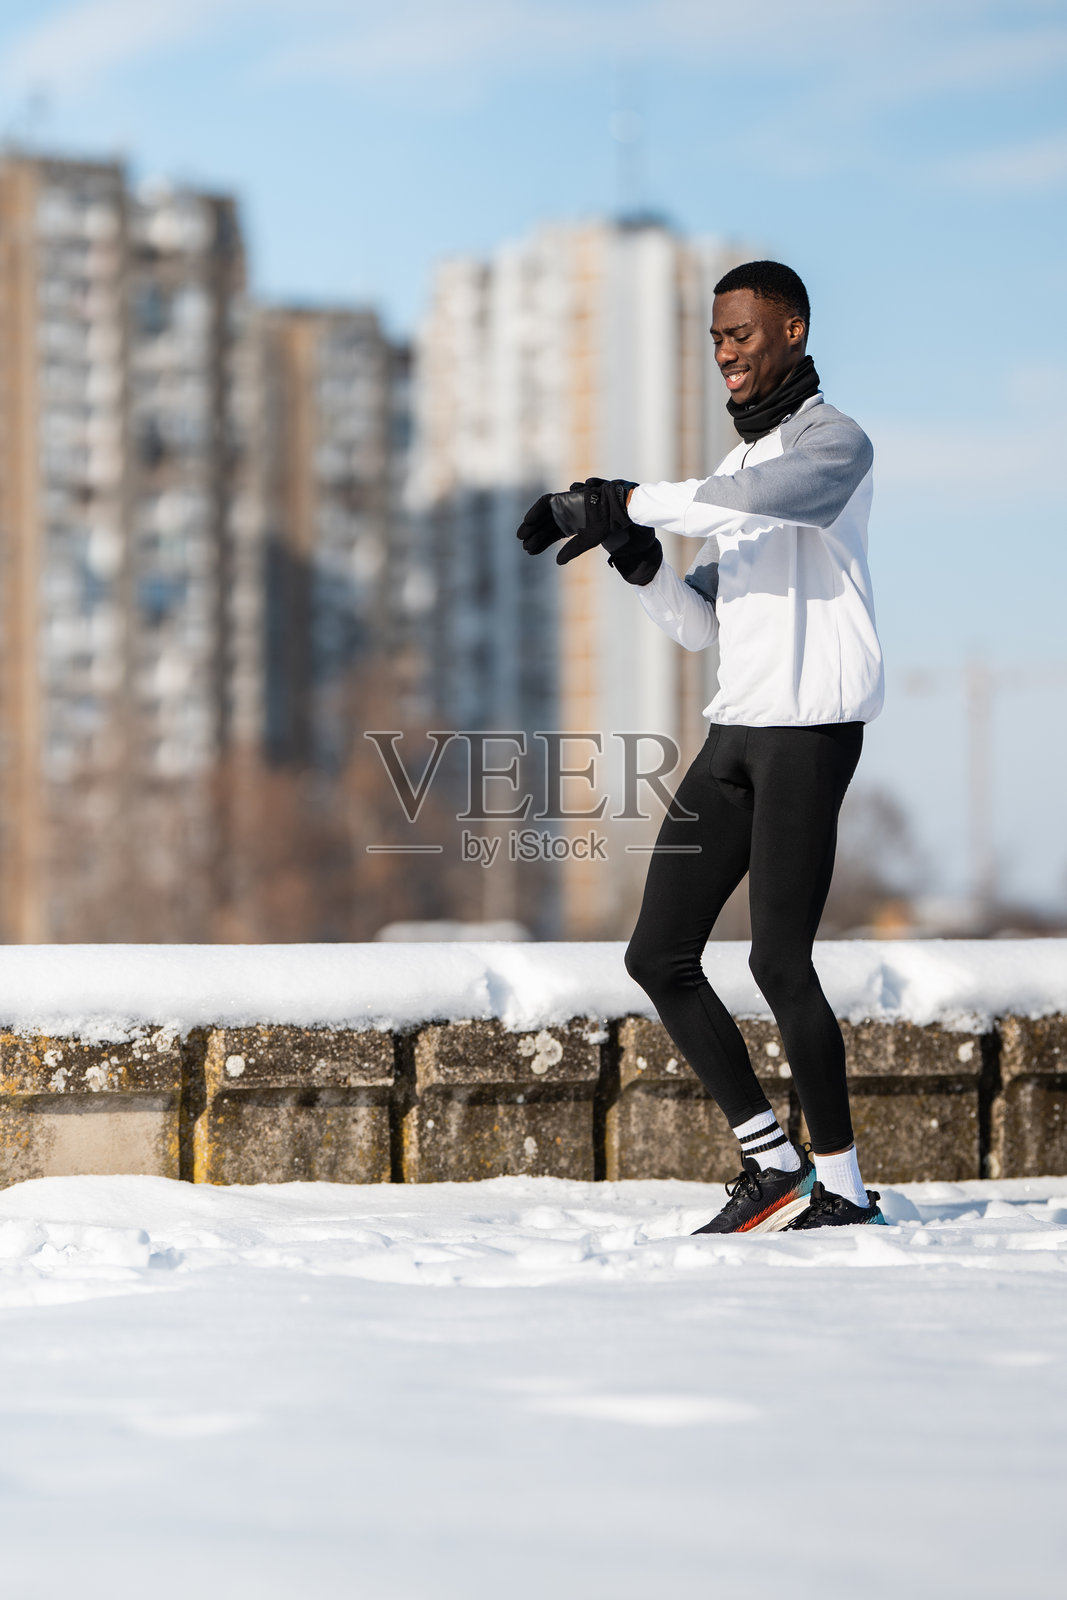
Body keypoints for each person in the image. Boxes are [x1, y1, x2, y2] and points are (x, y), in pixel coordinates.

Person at [517, 260, 886, 1231]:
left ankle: (843, 1190)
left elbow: (771, 502)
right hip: (736, 729)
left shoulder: (834, 445)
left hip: (809, 732)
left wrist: (623, 501)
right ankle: (772, 1164)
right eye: (715, 335)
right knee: (658, 954)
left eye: (742, 332)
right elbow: (692, 625)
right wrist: (634, 559)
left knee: (777, 962)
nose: (723, 350)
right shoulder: (726, 477)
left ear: (793, 331)